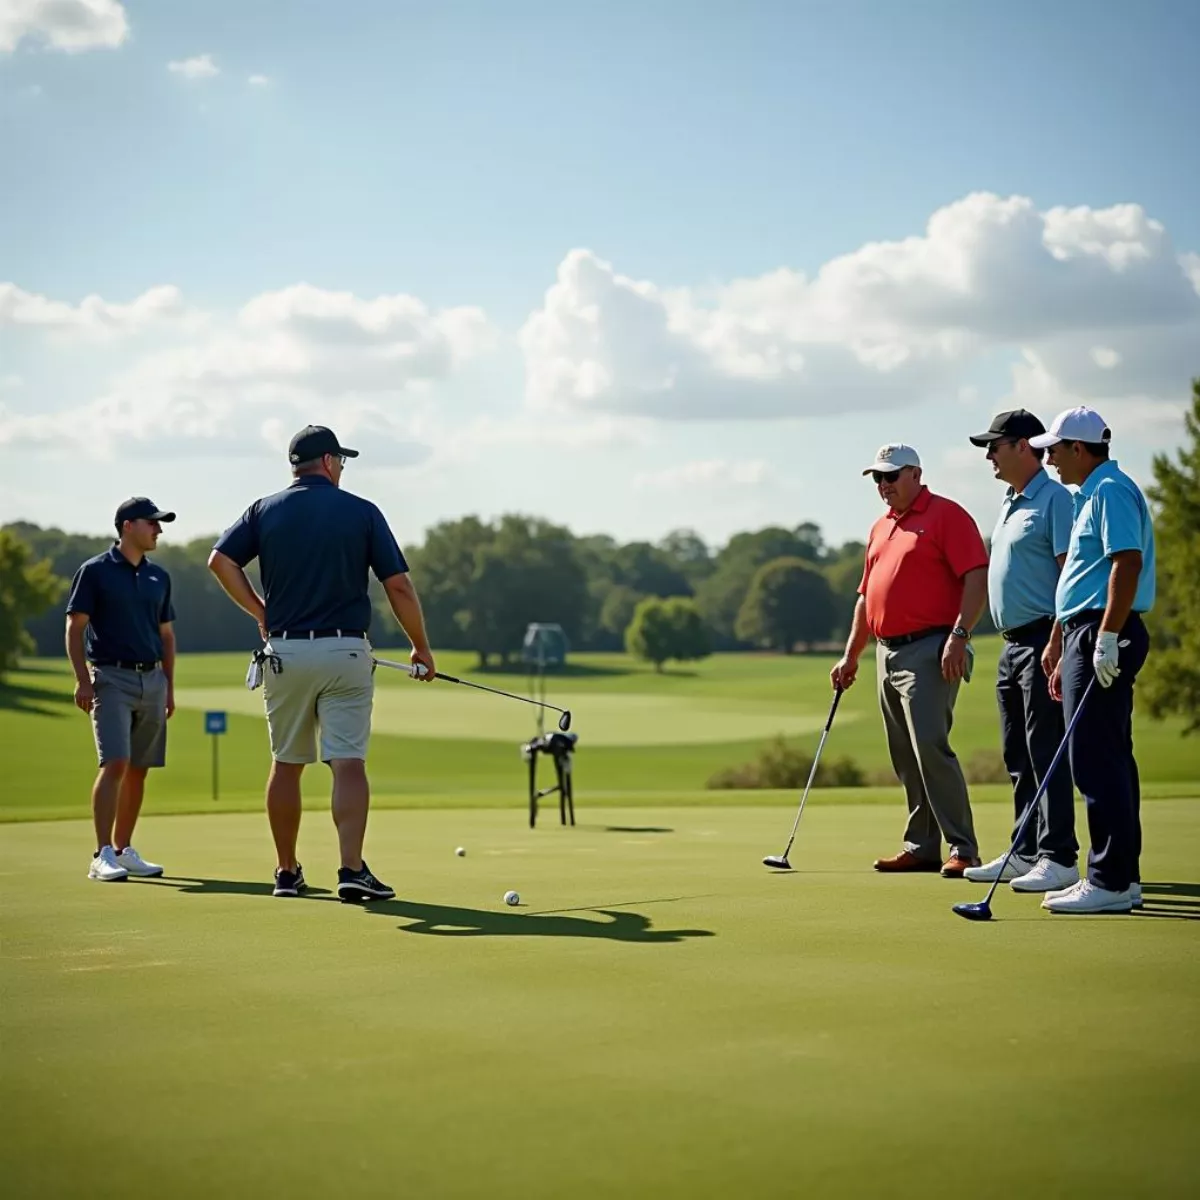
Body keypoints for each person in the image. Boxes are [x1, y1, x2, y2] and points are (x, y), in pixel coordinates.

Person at [207, 425, 435, 901]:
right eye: (342, 462)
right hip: (346, 651)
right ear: (329, 462)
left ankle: (286, 872)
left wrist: (261, 612)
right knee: (347, 762)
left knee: (287, 763)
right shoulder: (361, 511)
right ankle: (351, 869)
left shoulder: (263, 510)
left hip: (286, 652)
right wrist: (420, 647)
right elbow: (398, 586)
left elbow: (220, 562)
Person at [831, 443, 989, 877]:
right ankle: (921, 846)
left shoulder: (946, 515)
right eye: (878, 479)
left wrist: (960, 634)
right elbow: (866, 597)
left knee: (931, 749)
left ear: (916, 474)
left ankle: (964, 848)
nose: (884, 486)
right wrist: (851, 655)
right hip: (887, 650)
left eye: (892, 476)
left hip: (931, 648)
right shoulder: (881, 527)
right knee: (904, 753)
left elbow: (976, 575)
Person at [1030, 407, 1155, 914]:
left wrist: (1104, 637)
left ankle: (1109, 879)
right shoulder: (1090, 495)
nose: (1049, 459)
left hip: (1107, 629)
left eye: (1053, 450)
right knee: (1105, 755)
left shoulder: (1109, 491)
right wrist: (1063, 642)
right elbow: (1081, 578)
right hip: (1088, 631)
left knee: (1095, 758)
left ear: (1078, 449)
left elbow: (1127, 561)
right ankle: (1120, 876)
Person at [964, 410, 1079, 893]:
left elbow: (1068, 576)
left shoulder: (1055, 500)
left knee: (1044, 748)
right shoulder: (1011, 500)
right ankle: (1024, 849)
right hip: (1011, 645)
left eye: (995, 445)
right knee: (1018, 751)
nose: (989, 455)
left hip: (1043, 639)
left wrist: (1056, 637)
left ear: (1023, 445)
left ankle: (1059, 856)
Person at [66, 497, 177, 882]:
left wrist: (170, 687)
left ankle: (123, 848)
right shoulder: (95, 571)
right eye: (153, 523)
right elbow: (75, 628)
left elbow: (167, 636)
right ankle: (102, 855)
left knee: (138, 769)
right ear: (128, 526)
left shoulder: (158, 577)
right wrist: (82, 679)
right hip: (111, 678)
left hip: (153, 680)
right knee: (114, 762)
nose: (158, 530)